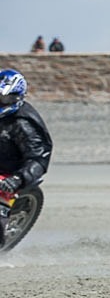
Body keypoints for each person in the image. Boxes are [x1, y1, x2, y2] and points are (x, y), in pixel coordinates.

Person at [0, 69, 53, 246]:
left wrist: (18, 178)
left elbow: (39, 157)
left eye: (5, 98)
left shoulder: (24, 124)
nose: (2, 101)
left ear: (17, 97)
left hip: (9, 173)